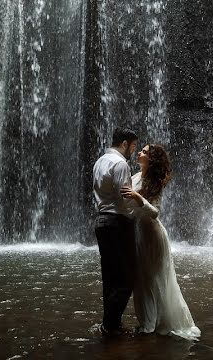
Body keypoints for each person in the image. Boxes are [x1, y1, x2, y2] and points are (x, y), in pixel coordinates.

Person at [121, 143, 200, 340]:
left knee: (154, 279)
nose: (139, 152)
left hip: (152, 234)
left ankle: (157, 325)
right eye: (141, 150)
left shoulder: (154, 181)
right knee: (140, 280)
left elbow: (155, 212)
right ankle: (147, 323)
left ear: (152, 159)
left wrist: (139, 199)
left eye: (145, 152)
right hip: (138, 233)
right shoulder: (135, 177)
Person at [92, 126, 138, 335]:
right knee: (127, 278)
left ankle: (109, 324)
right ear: (124, 144)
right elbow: (124, 199)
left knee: (110, 277)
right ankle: (111, 326)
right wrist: (142, 207)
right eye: (133, 146)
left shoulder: (99, 162)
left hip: (102, 222)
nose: (134, 151)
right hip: (118, 223)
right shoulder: (121, 164)